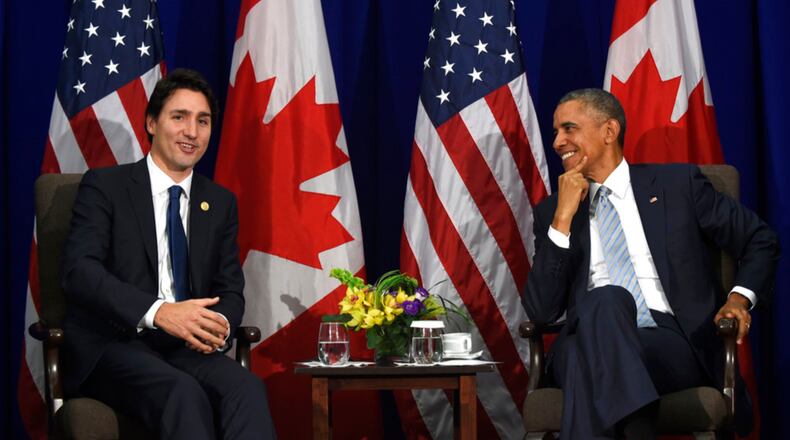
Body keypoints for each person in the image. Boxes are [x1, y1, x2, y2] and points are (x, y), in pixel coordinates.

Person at [524, 88, 779, 439]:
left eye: (569, 129)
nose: (557, 142)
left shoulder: (678, 186)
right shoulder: (553, 212)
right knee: (607, 300)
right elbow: (540, 311)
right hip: (583, 339)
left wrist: (738, 299)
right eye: (555, 132)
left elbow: (759, 239)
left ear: (609, 131)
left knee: (601, 344)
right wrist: (563, 218)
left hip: (668, 343)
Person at [62, 69, 276, 439]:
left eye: (203, 121)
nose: (192, 131)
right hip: (114, 345)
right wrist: (159, 312)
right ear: (151, 122)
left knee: (248, 389)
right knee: (182, 393)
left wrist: (217, 326)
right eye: (179, 117)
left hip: (187, 348)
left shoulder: (220, 202)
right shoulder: (105, 186)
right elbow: (80, 272)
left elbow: (230, 288)